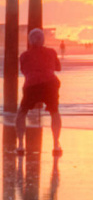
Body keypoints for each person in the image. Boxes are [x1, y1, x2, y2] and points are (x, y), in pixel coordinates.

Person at [15, 28, 62, 158]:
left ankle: (20, 144)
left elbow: (24, 71)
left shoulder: (24, 55)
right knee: (54, 112)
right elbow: (58, 68)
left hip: (32, 85)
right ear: (43, 40)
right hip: (50, 84)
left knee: (22, 113)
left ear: (30, 41)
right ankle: (56, 144)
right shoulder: (51, 52)